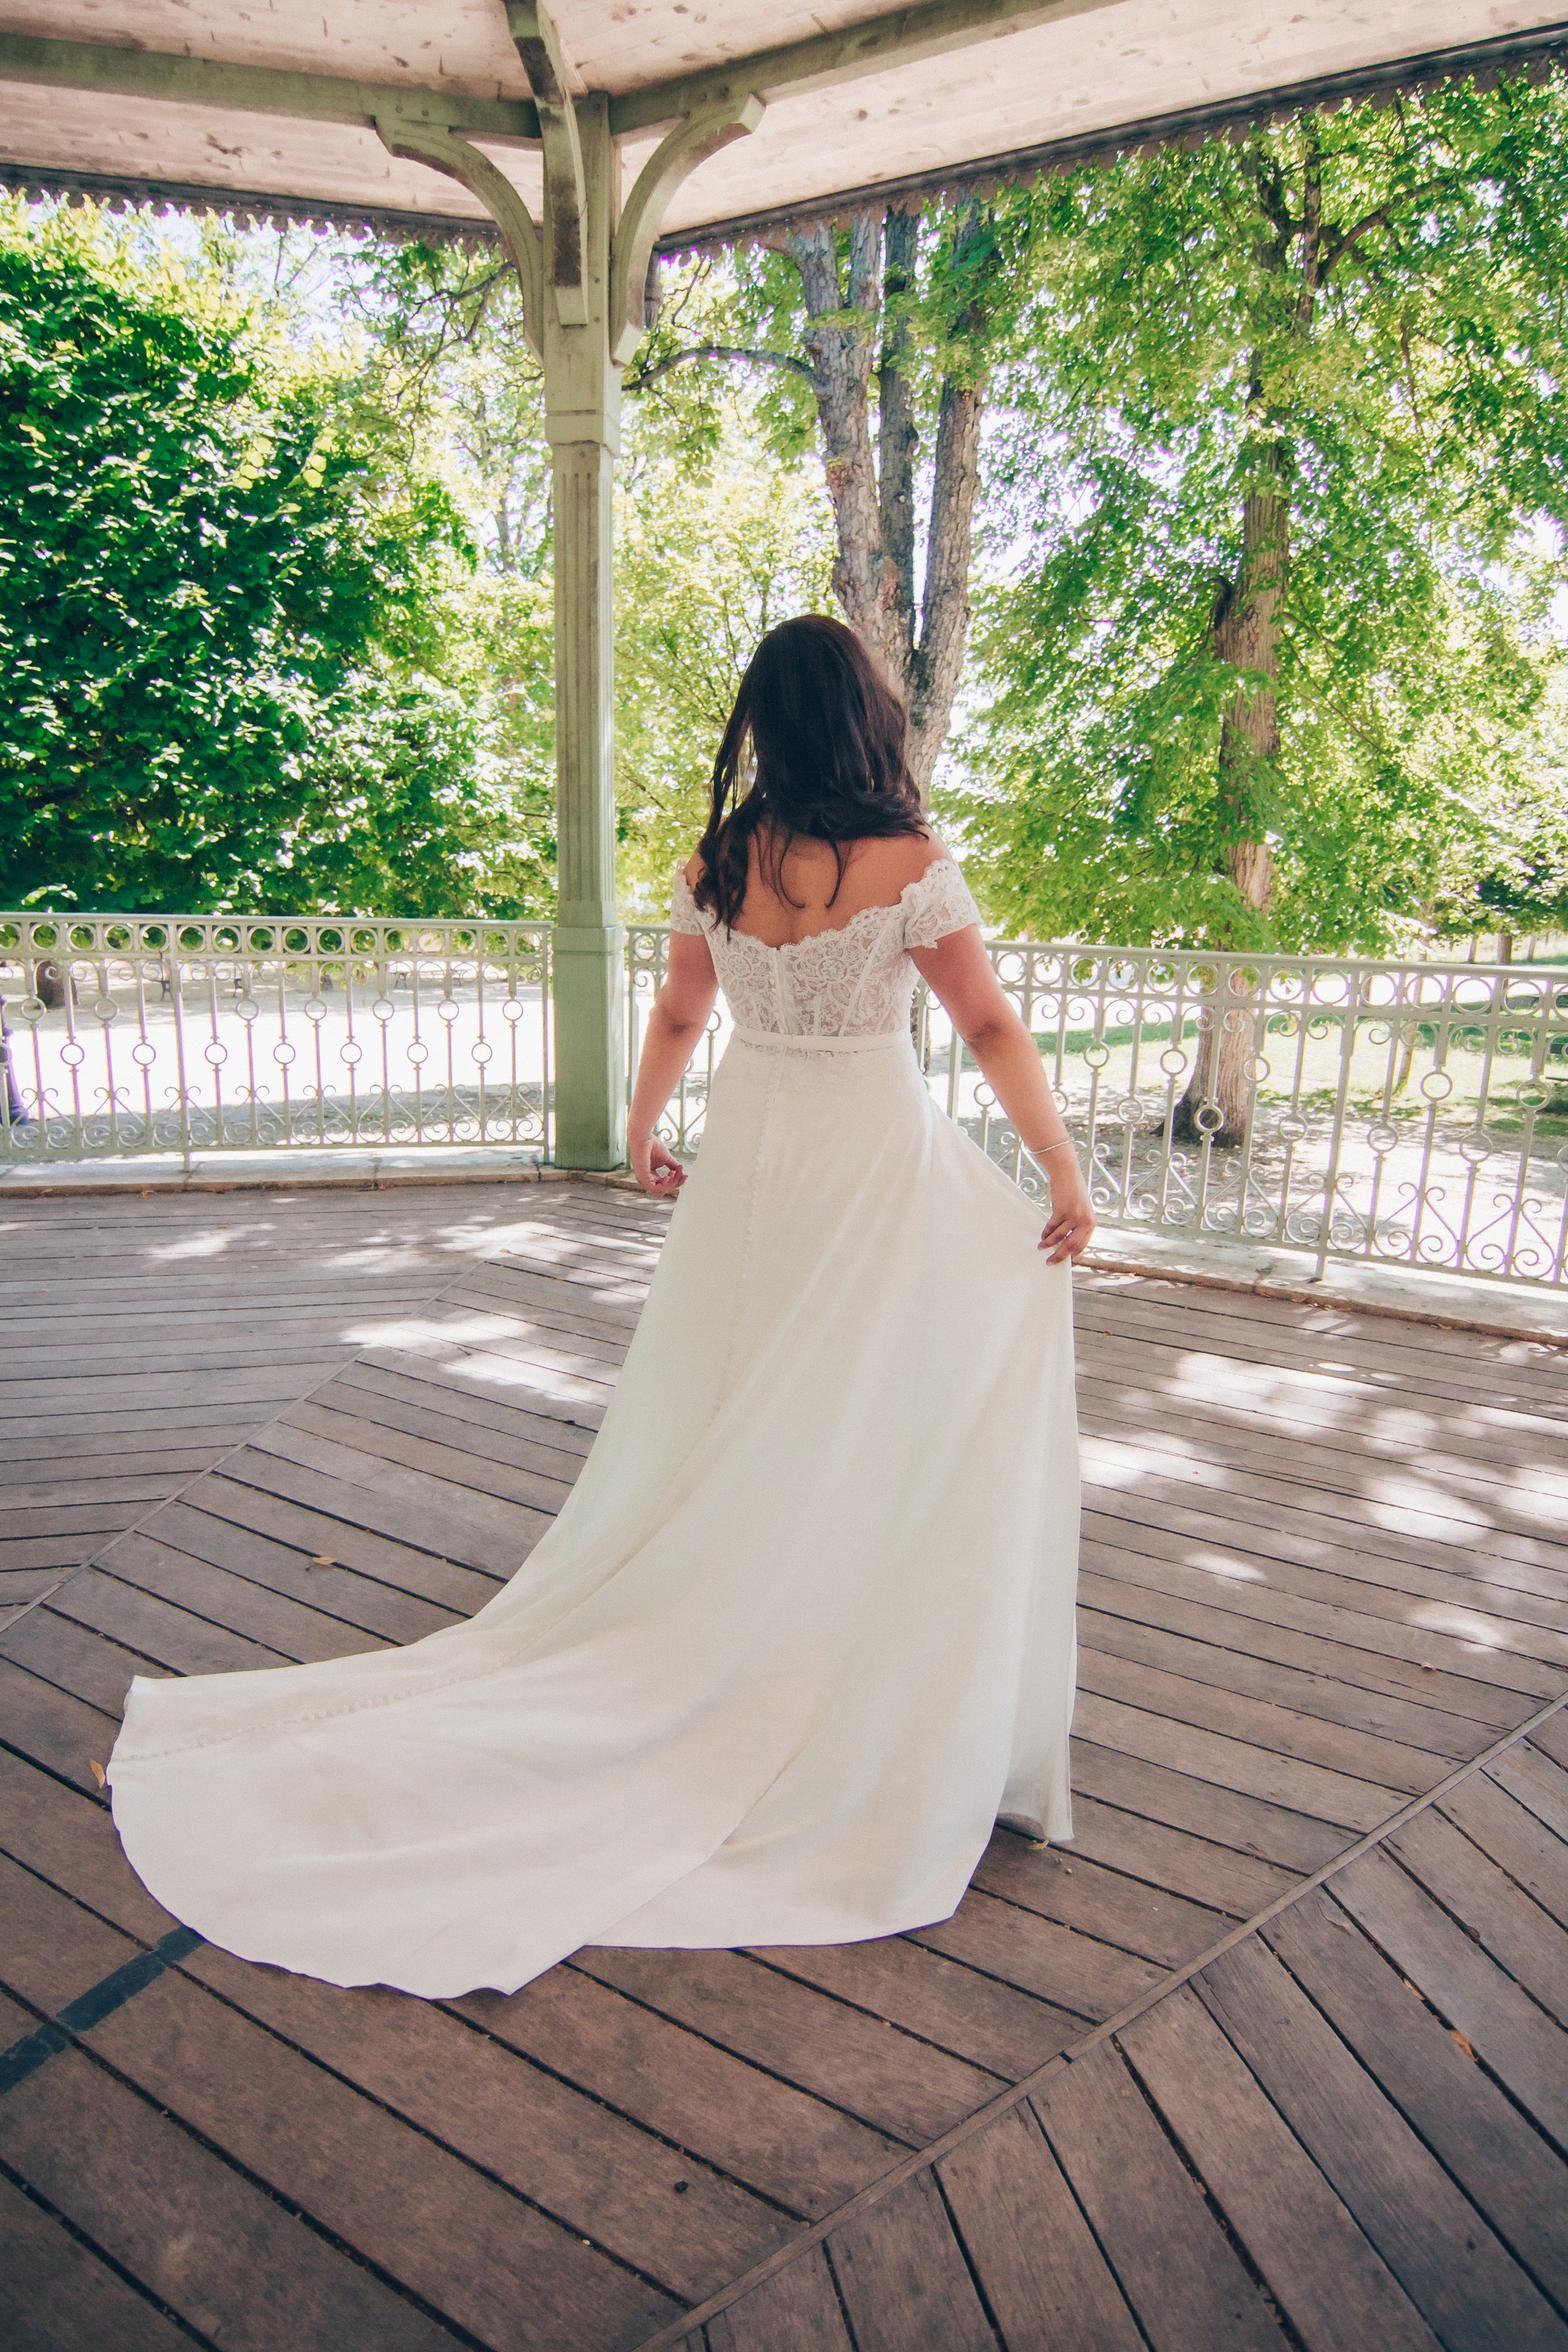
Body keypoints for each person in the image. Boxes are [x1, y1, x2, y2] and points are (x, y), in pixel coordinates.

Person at [107, 615, 1091, 2000]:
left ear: (763, 721)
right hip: (867, 1147)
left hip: (755, 1145)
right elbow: (987, 1026)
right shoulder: (912, 865)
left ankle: (740, 1594)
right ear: (865, 718)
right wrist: (1055, 1165)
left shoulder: (719, 862)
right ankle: (825, 1612)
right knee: (871, 1379)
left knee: (739, 1384)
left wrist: (643, 1127)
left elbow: (684, 1012)